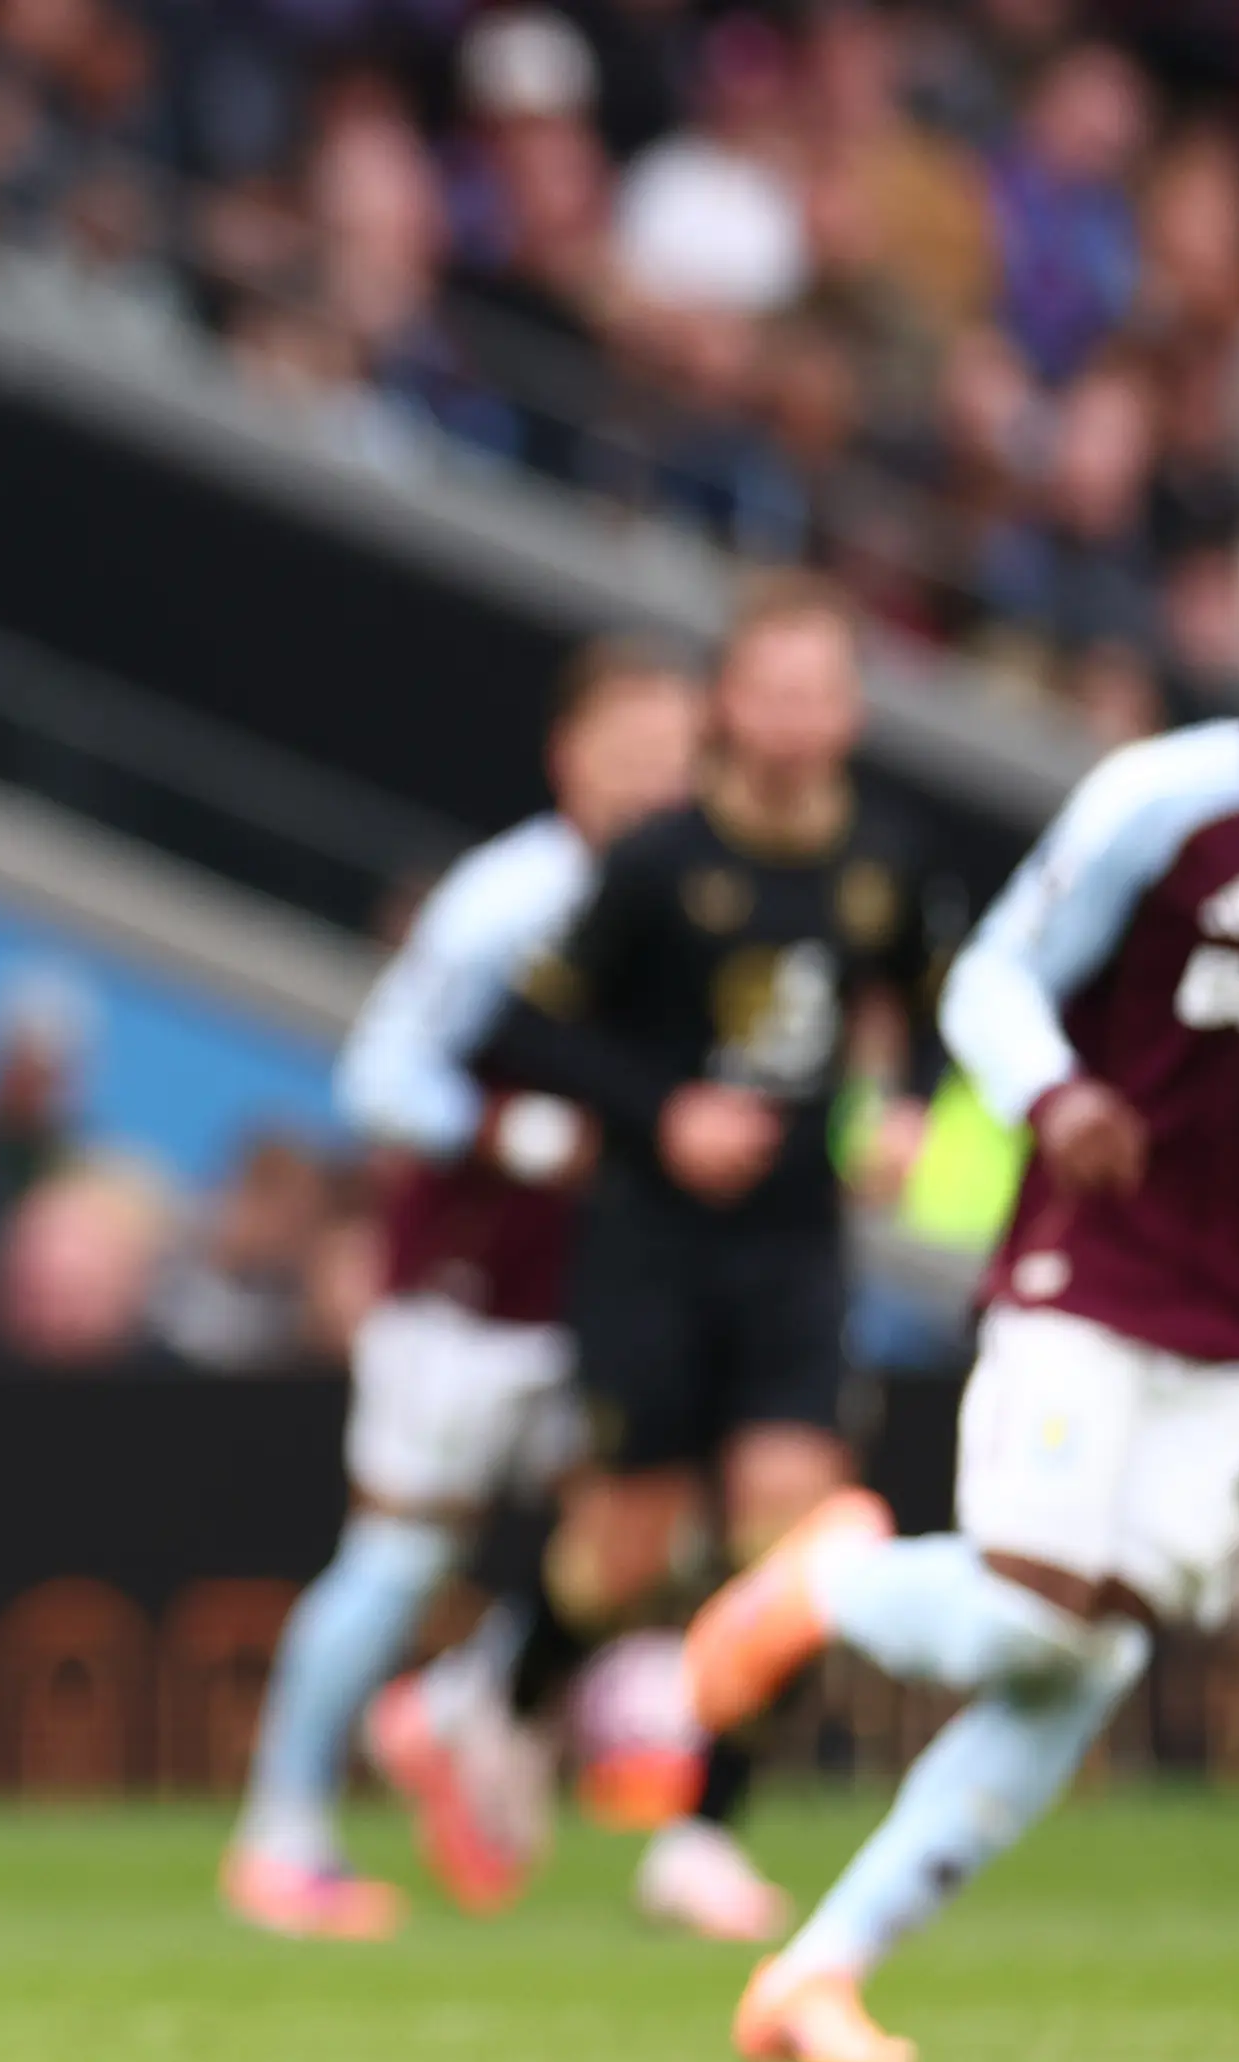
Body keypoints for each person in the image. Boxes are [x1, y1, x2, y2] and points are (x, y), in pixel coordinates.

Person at [672, 716, 1239, 2062]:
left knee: (1083, 1654)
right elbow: (989, 974)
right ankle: (822, 1584)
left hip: (1232, 1321)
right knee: (1031, 1613)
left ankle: (813, 1975)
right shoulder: (1171, 799)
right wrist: (1052, 1092)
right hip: (1092, 1261)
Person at [390, 575, 943, 1942]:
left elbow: (923, 1001)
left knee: (792, 1539)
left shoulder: (881, 857)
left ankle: (701, 1832)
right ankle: (503, 1705)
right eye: (774, 690)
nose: (800, 719)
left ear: (854, 709)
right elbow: (513, 1033)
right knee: (622, 1546)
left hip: (797, 1247)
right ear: (729, 705)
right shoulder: (651, 866)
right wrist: (664, 1113)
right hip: (648, 1241)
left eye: (824, 692)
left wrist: (904, 1105)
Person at [225, 638, 699, 1939]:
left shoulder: (693, 889)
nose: (661, 778)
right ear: (571, 759)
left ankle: (461, 1706)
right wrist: (521, 1138)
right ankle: (283, 1831)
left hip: (608, 1283)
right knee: (400, 1552)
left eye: (679, 753)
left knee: (652, 1527)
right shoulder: (509, 897)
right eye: (634, 752)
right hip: (469, 1284)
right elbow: (379, 1072)